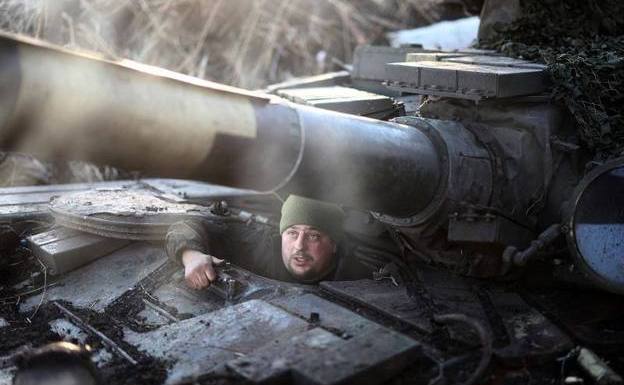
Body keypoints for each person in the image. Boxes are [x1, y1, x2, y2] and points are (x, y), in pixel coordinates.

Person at [165, 195, 375, 289]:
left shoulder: (360, 276)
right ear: (281, 234)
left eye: (313, 236)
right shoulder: (261, 245)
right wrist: (190, 255)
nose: (299, 246)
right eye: (292, 233)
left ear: (334, 244)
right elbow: (188, 224)